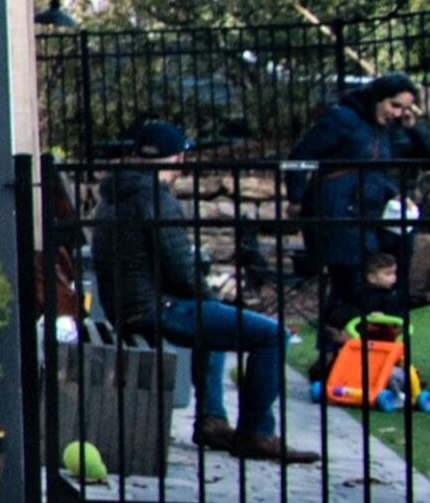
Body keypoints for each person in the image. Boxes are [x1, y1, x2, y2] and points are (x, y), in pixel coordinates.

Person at [88, 121, 313, 463]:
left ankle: (212, 419)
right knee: (273, 336)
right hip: (153, 307)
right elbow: (179, 266)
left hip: (128, 304)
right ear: (177, 160)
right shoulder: (154, 197)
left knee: (214, 320)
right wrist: (211, 295)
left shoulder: (116, 194)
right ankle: (257, 432)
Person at [289, 72, 419, 381]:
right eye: (395, 105)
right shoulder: (344, 120)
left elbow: (375, 173)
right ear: (378, 98)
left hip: (364, 215)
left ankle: (352, 359)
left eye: (404, 108)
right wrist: (295, 197)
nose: (399, 113)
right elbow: (301, 155)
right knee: (349, 284)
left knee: (360, 287)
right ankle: (333, 359)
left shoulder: (381, 130)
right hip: (337, 214)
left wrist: (394, 194)